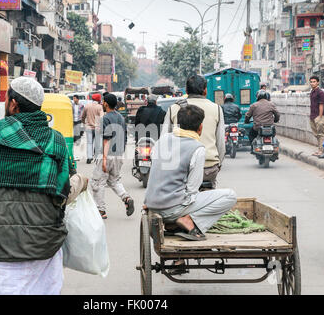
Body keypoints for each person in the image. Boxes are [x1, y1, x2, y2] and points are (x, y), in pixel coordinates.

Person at [0, 77, 87, 295]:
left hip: (2, 249)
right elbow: (62, 194)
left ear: (13, 104)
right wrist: (81, 182)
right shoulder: (55, 141)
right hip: (46, 247)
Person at [144, 105, 237, 242]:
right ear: (200, 128)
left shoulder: (162, 140)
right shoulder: (197, 148)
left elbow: (157, 171)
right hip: (173, 209)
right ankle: (189, 220)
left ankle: (176, 222)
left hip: (152, 205)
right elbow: (192, 189)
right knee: (230, 196)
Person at [164, 75, 225, 188]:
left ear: (186, 90)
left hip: (180, 168)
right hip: (209, 169)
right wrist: (218, 163)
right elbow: (221, 143)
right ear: (205, 90)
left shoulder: (174, 108)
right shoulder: (216, 108)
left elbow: (164, 140)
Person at [90, 93, 134, 220]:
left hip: (107, 154)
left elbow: (106, 139)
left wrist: (104, 159)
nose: (102, 104)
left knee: (98, 182)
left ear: (106, 104)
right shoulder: (121, 117)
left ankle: (100, 210)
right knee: (114, 180)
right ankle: (126, 198)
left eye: (103, 102)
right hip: (118, 154)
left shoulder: (105, 118)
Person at [82, 93, 104, 164]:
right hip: (97, 127)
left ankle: (89, 157)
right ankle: (96, 157)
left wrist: (84, 122)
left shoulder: (87, 106)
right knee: (97, 143)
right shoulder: (100, 107)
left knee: (89, 143)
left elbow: (83, 116)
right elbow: (101, 117)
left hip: (88, 127)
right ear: (99, 99)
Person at [309, 76, 324, 156]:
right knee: (316, 134)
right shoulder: (312, 92)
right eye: (311, 82)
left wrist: (320, 117)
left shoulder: (321, 93)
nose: (312, 83)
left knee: (321, 134)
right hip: (312, 116)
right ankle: (319, 149)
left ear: (318, 82)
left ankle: (322, 151)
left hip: (318, 116)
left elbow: (321, 105)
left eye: (314, 81)